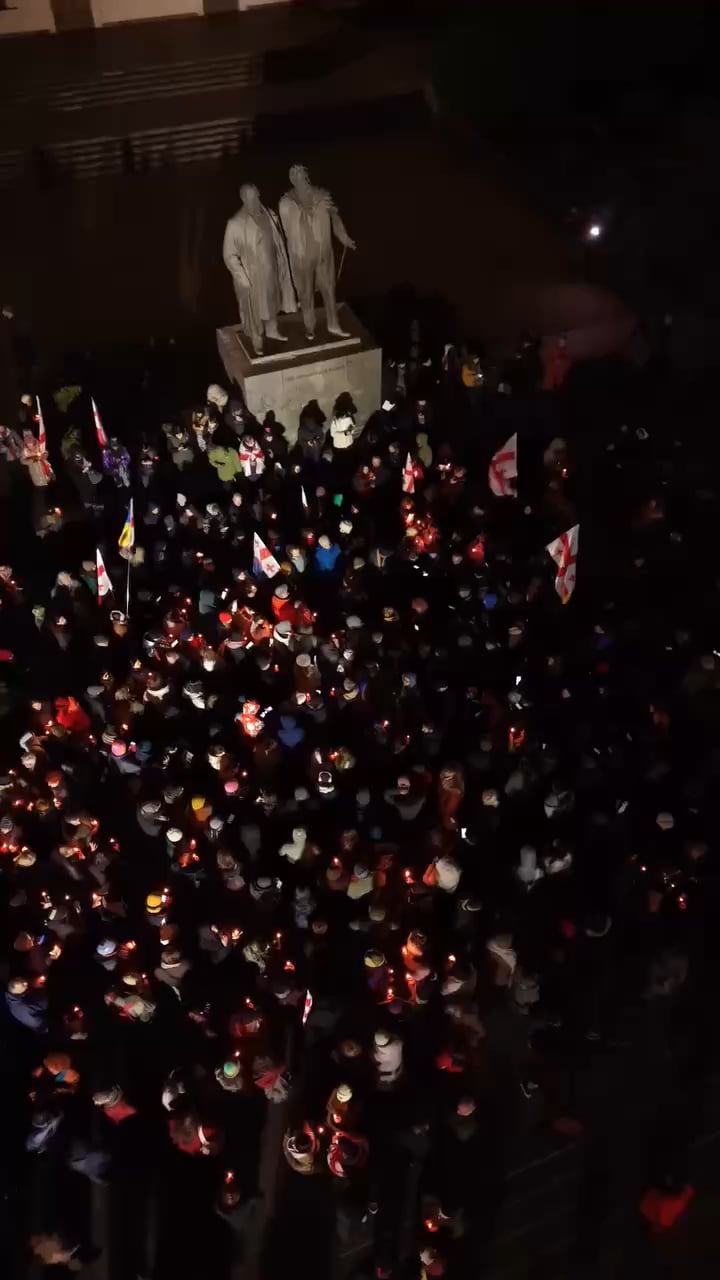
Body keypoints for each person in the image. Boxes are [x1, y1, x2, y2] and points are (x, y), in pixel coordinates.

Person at [279, 164, 356, 340]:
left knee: (329, 288)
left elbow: (335, 217)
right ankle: (309, 326)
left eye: (306, 177)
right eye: (300, 178)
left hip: (324, 253)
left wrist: (343, 236)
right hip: (302, 257)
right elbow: (288, 229)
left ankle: (333, 323)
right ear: (293, 180)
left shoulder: (322, 195)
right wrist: (308, 211)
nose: (305, 181)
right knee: (306, 293)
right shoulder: (286, 202)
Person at [223, 182, 297, 355]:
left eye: (257, 196)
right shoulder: (235, 223)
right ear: (243, 199)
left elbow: (278, 240)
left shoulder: (269, 215)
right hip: (252, 275)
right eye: (251, 198)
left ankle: (272, 330)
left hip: (272, 268)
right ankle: (257, 339)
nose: (256, 201)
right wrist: (242, 277)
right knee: (254, 309)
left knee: (272, 301)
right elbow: (229, 255)